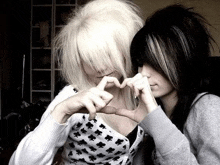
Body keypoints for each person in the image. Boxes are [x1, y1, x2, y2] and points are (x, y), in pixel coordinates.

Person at [9, 0, 144, 164]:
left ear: (124, 49)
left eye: (106, 55)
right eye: (89, 59)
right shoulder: (72, 96)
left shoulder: (137, 90)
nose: (100, 68)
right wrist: (63, 111)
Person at [115, 4, 220, 164]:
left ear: (182, 61)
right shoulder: (149, 110)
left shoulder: (208, 108)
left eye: (155, 64)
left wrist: (157, 122)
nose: (143, 73)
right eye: (141, 63)